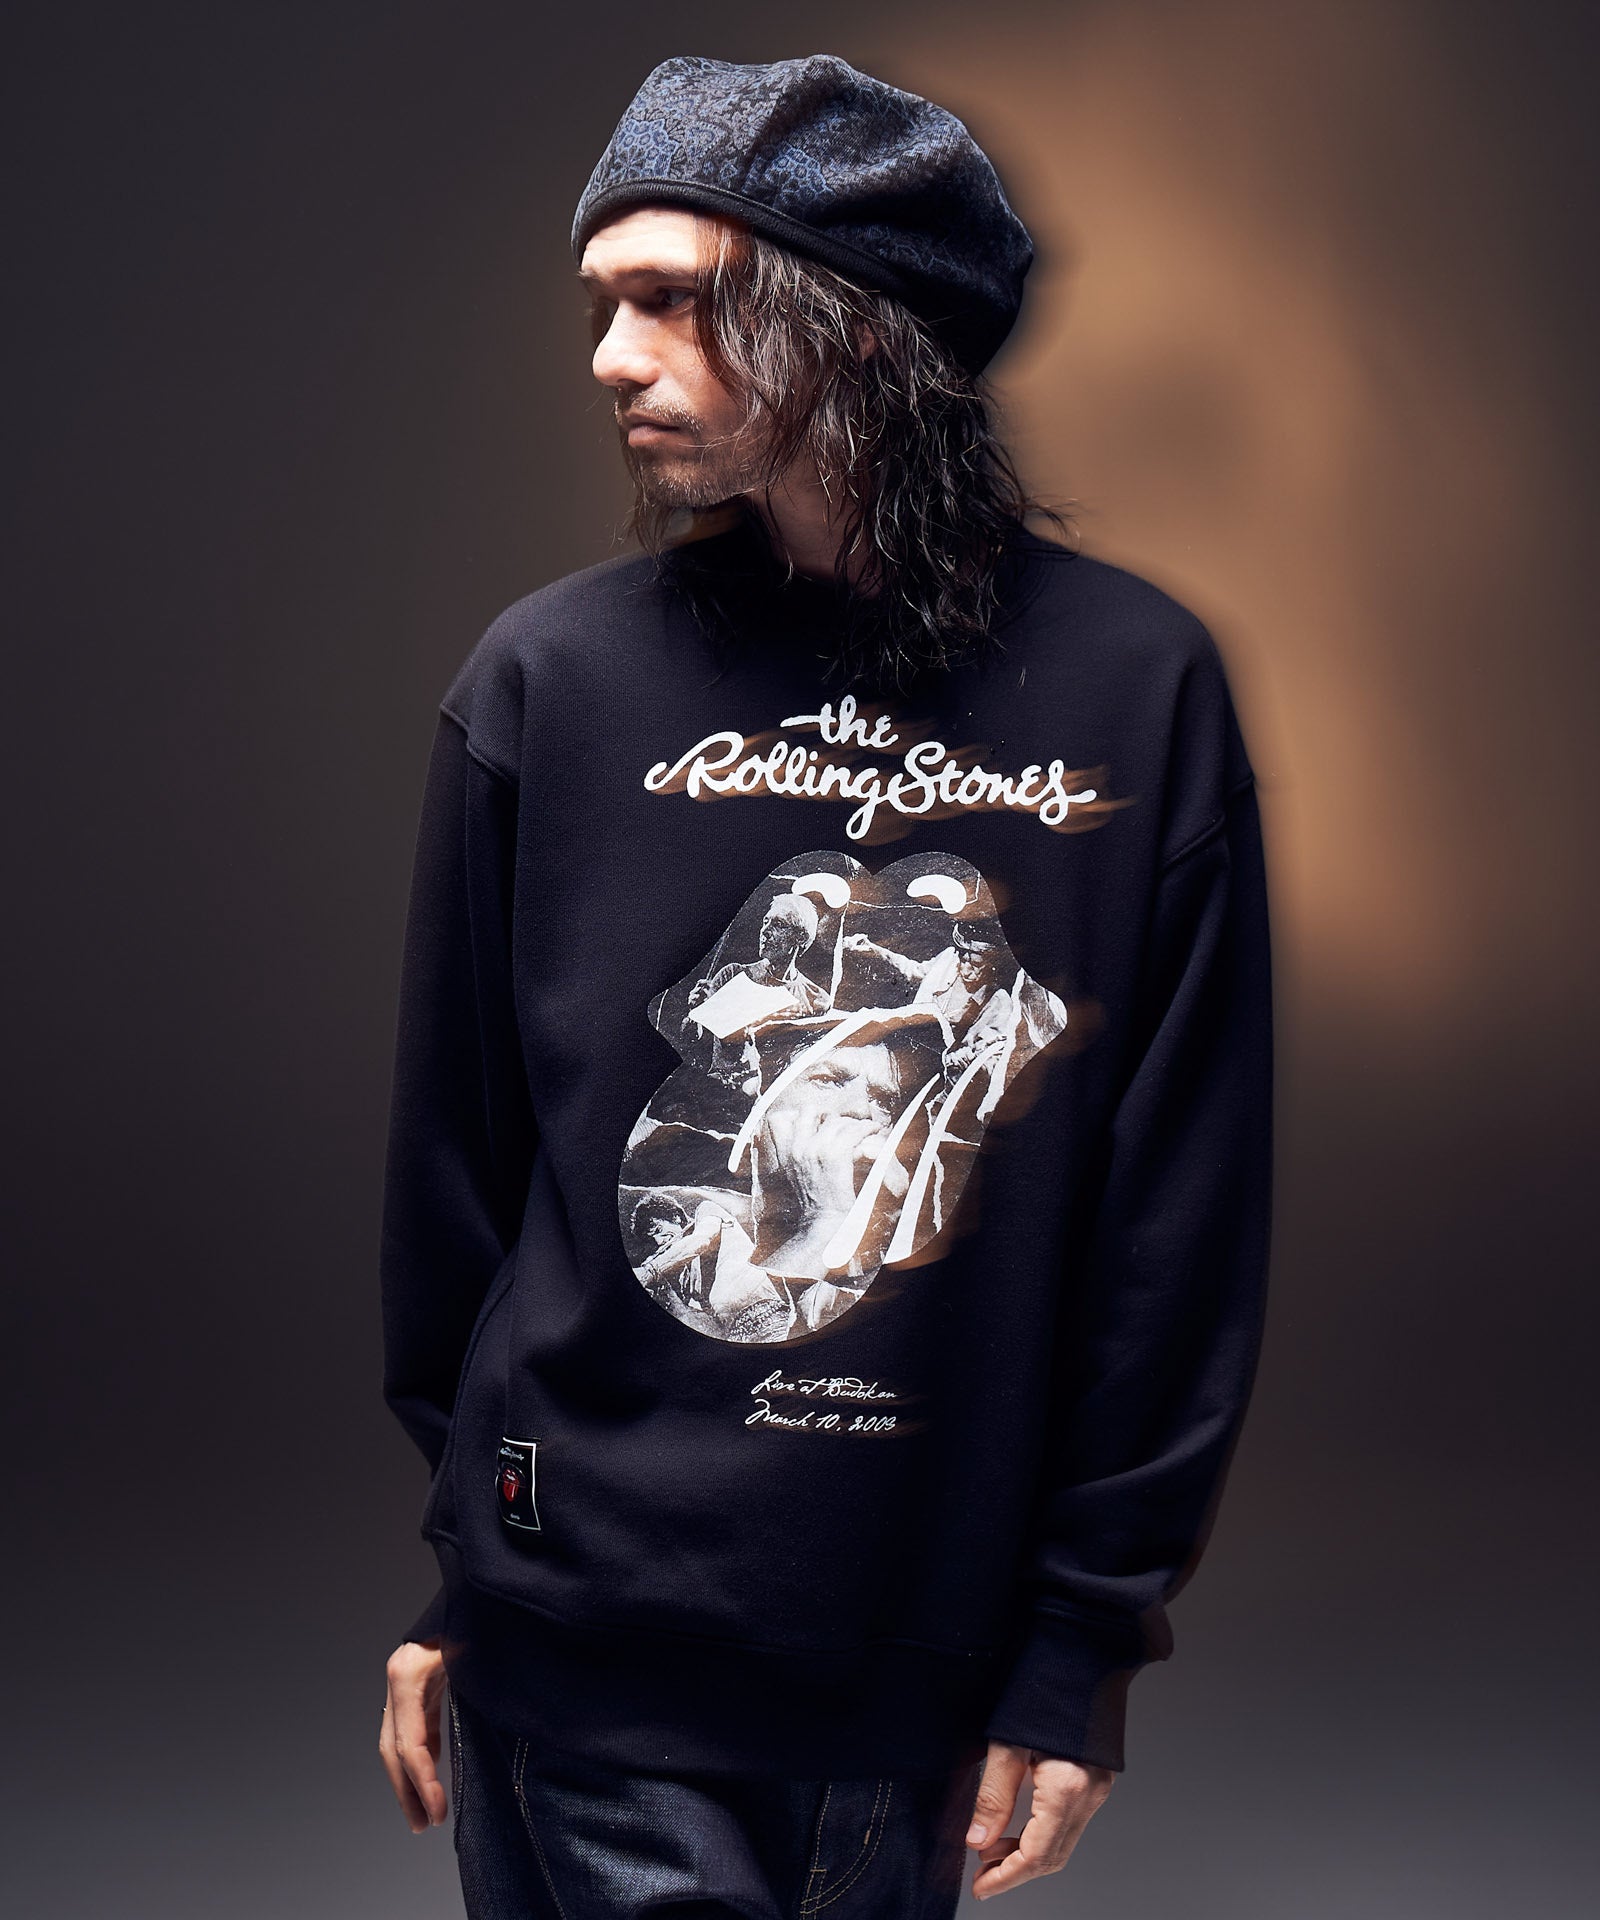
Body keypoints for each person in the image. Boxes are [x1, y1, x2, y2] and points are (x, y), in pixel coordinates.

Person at [376, 52, 1273, 1918]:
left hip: (922, 1679)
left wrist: (1078, 1649)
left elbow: (1175, 1228)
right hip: (584, 1664)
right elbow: (461, 1188)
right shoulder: (549, 682)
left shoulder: (1137, 690)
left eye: (671, 301)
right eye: (601, 304)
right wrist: (474, 1577)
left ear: (856, 325)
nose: (611, 358)